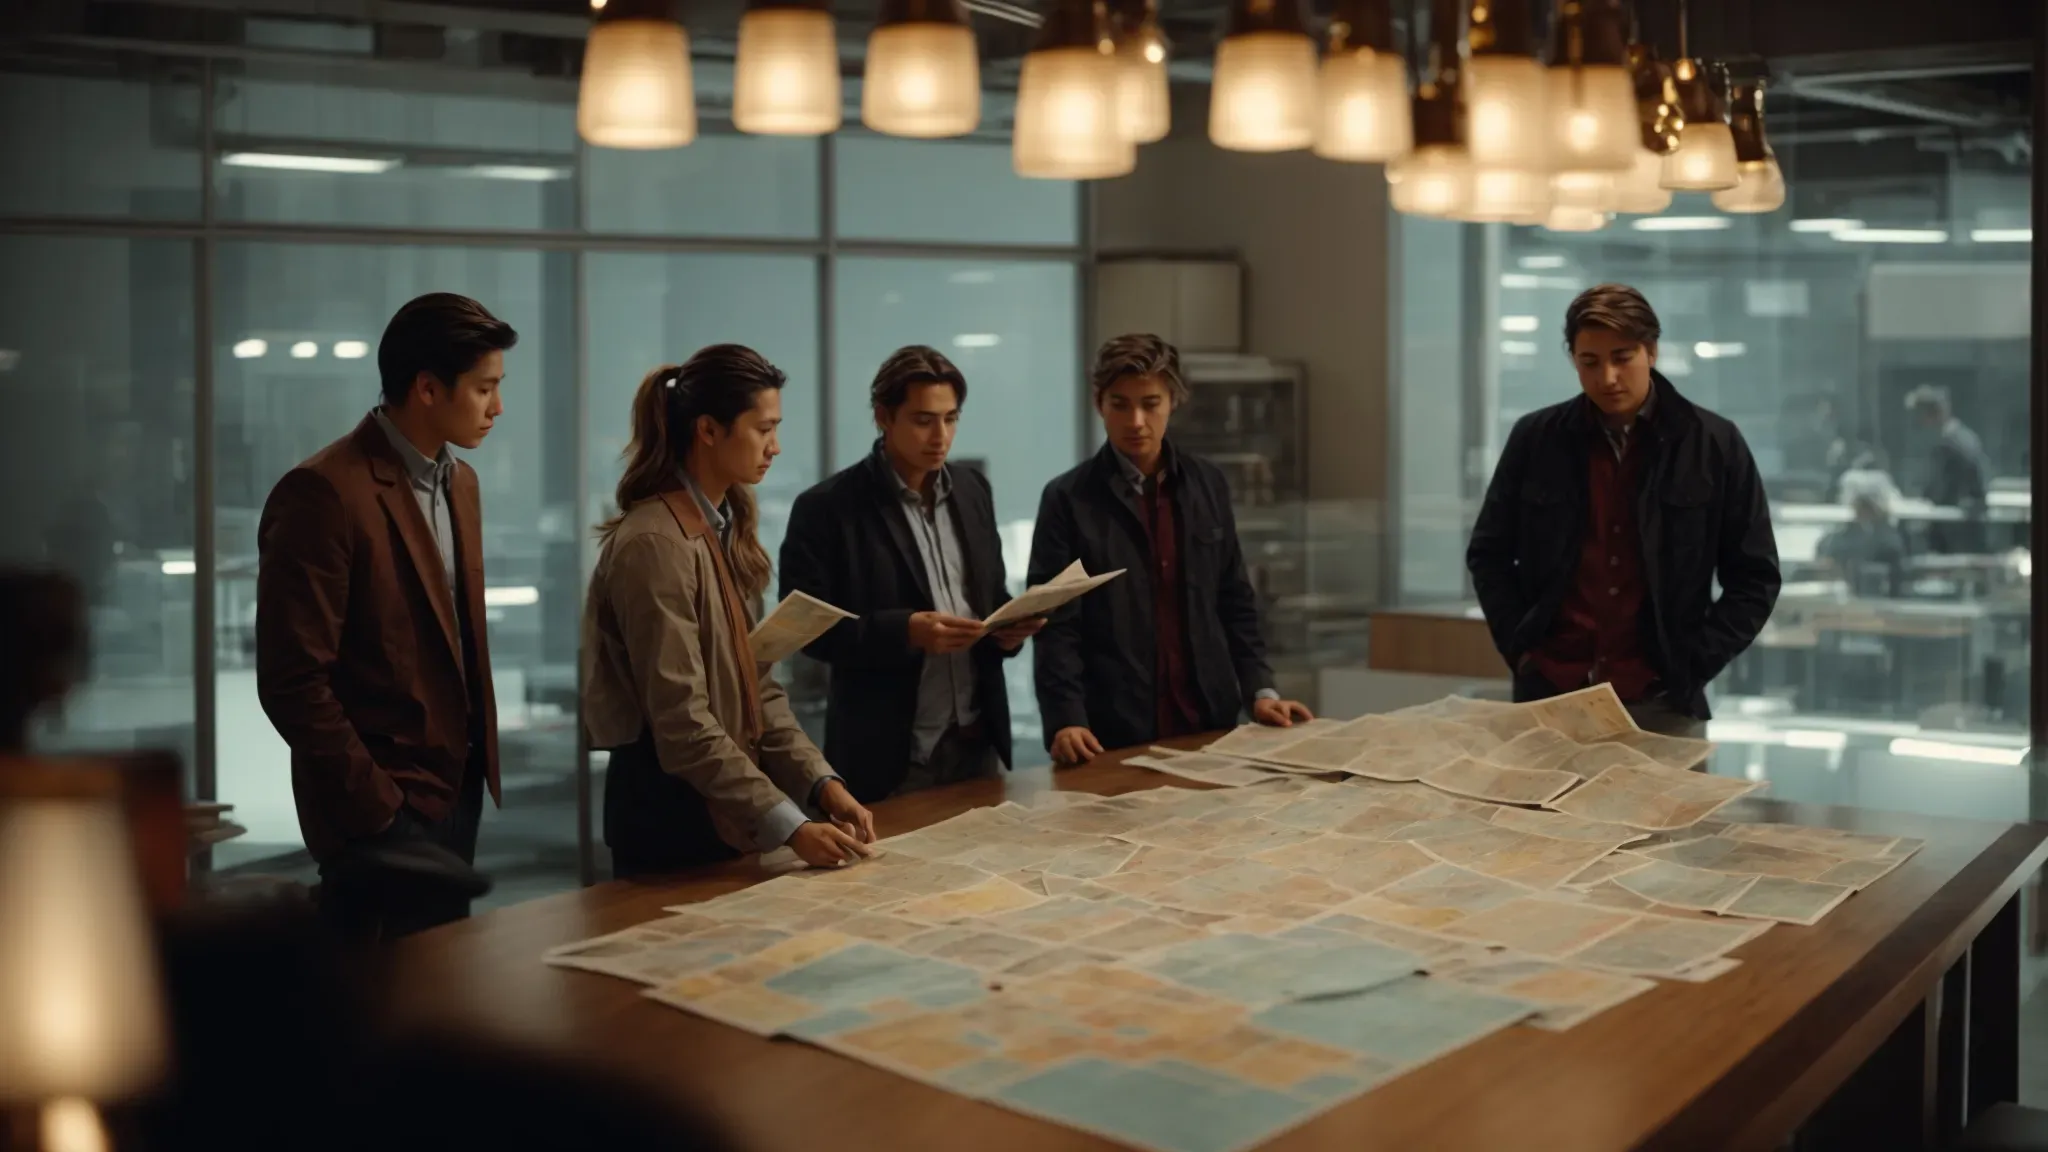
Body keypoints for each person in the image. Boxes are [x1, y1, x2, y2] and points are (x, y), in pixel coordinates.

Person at [255, 293, 515, 937]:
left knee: (442, 979)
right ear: (427, 388)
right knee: (377, 987)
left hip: (456, 785)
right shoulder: (325, 490)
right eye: (484, 389)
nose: (498, 408)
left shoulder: (461, 482)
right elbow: (293, 681)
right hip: (380, 803)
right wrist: (378, 808)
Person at [582, 344, 875, 877]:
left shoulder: (722, 528)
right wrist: (793, 826)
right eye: (763, 429)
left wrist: (822, 784)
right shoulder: (655, 543)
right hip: (670, 820)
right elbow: (682, 723)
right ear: (708, 430)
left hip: (723, 811)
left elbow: (757, 687)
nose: (775, 447)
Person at [1466, 283, 1780, 741]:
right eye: (1590, 362)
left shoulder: (1713, 443)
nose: (1608, 377)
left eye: (1622, 357)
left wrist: (1692, 663)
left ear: (1651, 351)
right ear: (1573, 359)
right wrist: (1523, 650)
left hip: (1663, 701)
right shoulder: (1536, 440)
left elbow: (1755, 578)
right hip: (1551, 695)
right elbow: (1489, 554)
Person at [1029, 334, 1312, 764]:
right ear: (1099, 403)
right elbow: (1055, 624)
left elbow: (1235, 599)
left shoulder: (1207, 485)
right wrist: (1066, 718)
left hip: (1209, 717)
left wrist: (1261, 689)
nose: (1136, 421)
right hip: (1111, 729)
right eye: (1120, 404)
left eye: (1150, 403)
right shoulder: (1068, 499)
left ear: (1173, 401)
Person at [778, 346, 1042, 800]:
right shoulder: (827, 508)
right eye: (923, 420)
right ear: (883, 417)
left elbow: (989, 596)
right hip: (888, 754)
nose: (941, 436)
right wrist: (904, 632)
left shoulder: (972, 490)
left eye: (951, 419)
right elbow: (806, 635)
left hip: (978, 742)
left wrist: (1008, 629)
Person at [1905, 385, 1993, 554]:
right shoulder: (1959, 438)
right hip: (1953, 529)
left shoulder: (1954, 444)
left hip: (1956, 533)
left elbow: (1949, 488)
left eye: (1919, 415)